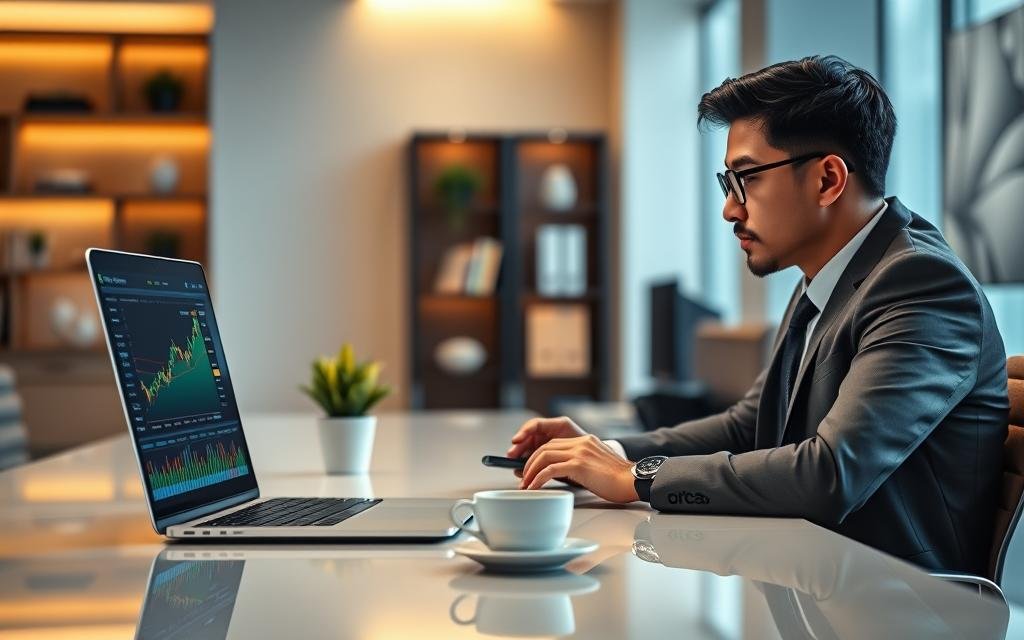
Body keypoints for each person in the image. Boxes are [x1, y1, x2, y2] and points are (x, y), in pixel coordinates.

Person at [507, 55, 1009, 574]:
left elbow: (831, 473)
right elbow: (750, 426)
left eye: (746, 178)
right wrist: (600, 451)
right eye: (728, 183)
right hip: (811, 578)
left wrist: (637, 475)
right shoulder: (827, 277)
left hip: (895, 602)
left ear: (827, 179)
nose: (730, 208)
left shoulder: (922, 284)